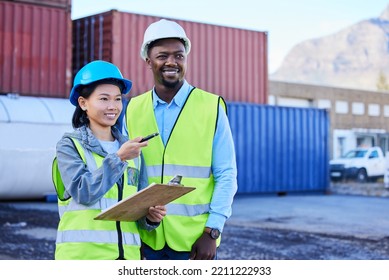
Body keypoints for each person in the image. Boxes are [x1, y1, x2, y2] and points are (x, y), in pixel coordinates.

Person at [125, 19, 238, 260]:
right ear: (148, 61)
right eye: (162, 55)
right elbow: (131, 174)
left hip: (195, 242)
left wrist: (212, 231)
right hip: (147, 238)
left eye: (179, 55)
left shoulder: (211, 106)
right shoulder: (133, 108)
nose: (171, 62)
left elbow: (226, 174)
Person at [53, 60, 166, 260]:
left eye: (117, 99)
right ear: (83, 103)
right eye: (104, 99)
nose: (113, 106)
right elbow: (84, 192)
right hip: (84, 258)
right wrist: (119, 158)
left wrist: (150, 217)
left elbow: (137, 209)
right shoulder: (69, 146)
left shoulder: (133, 151)